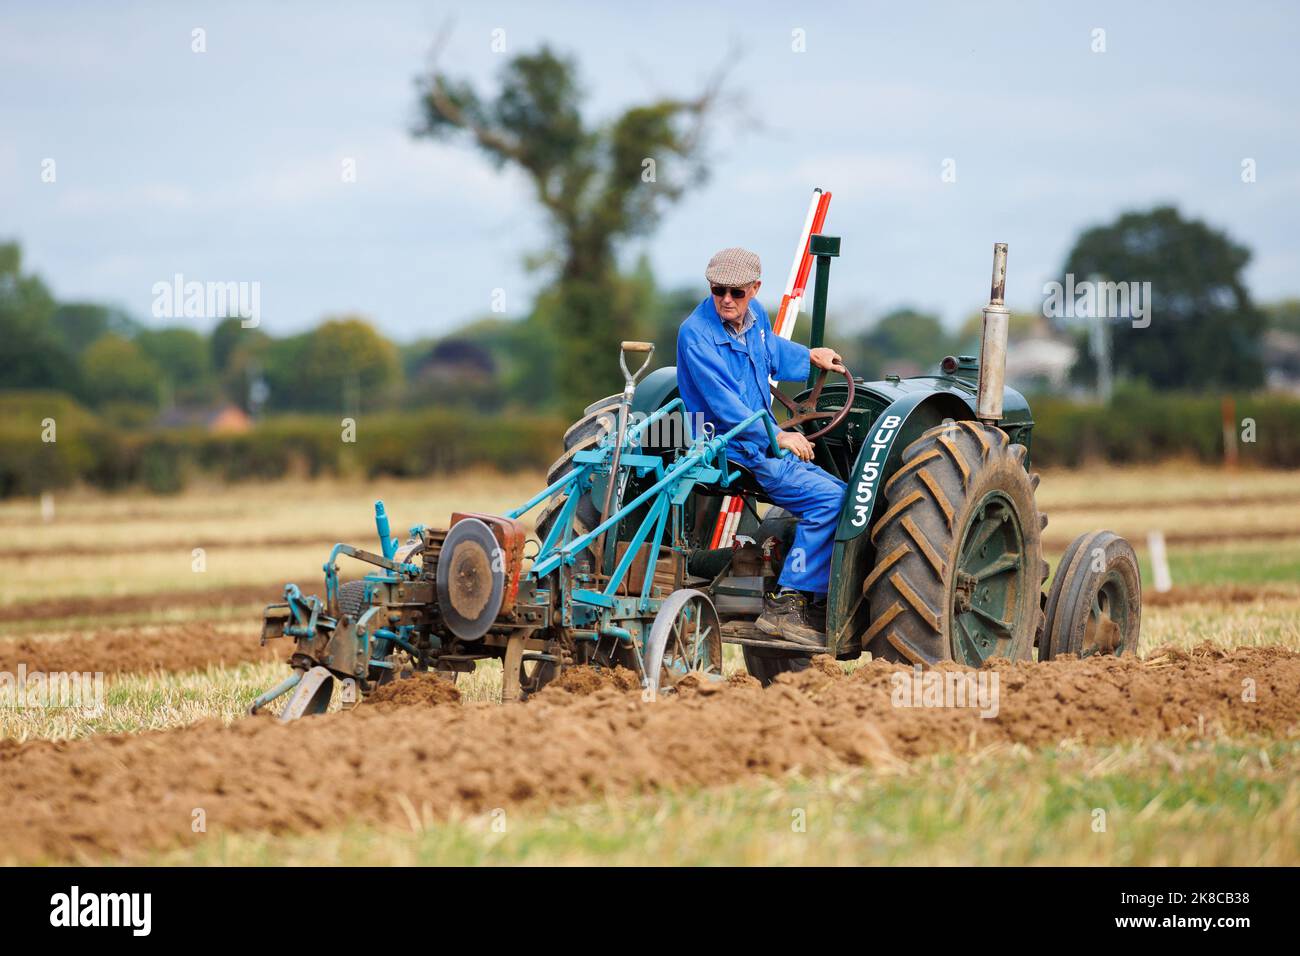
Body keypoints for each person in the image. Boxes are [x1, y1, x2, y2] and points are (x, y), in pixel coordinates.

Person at [676, 246, 848, 646]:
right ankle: (788, 602)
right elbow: (723, 405)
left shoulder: (755, 321)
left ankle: (782, 577)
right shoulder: (696, 333)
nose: (726, 300)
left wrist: (810, 357)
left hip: (758, 439)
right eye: (718, 291)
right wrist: (779, 437)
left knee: (830, 492)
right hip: (729, 445)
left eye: (736, 292)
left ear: (755, 289)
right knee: (832, 500)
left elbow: (769, 351)